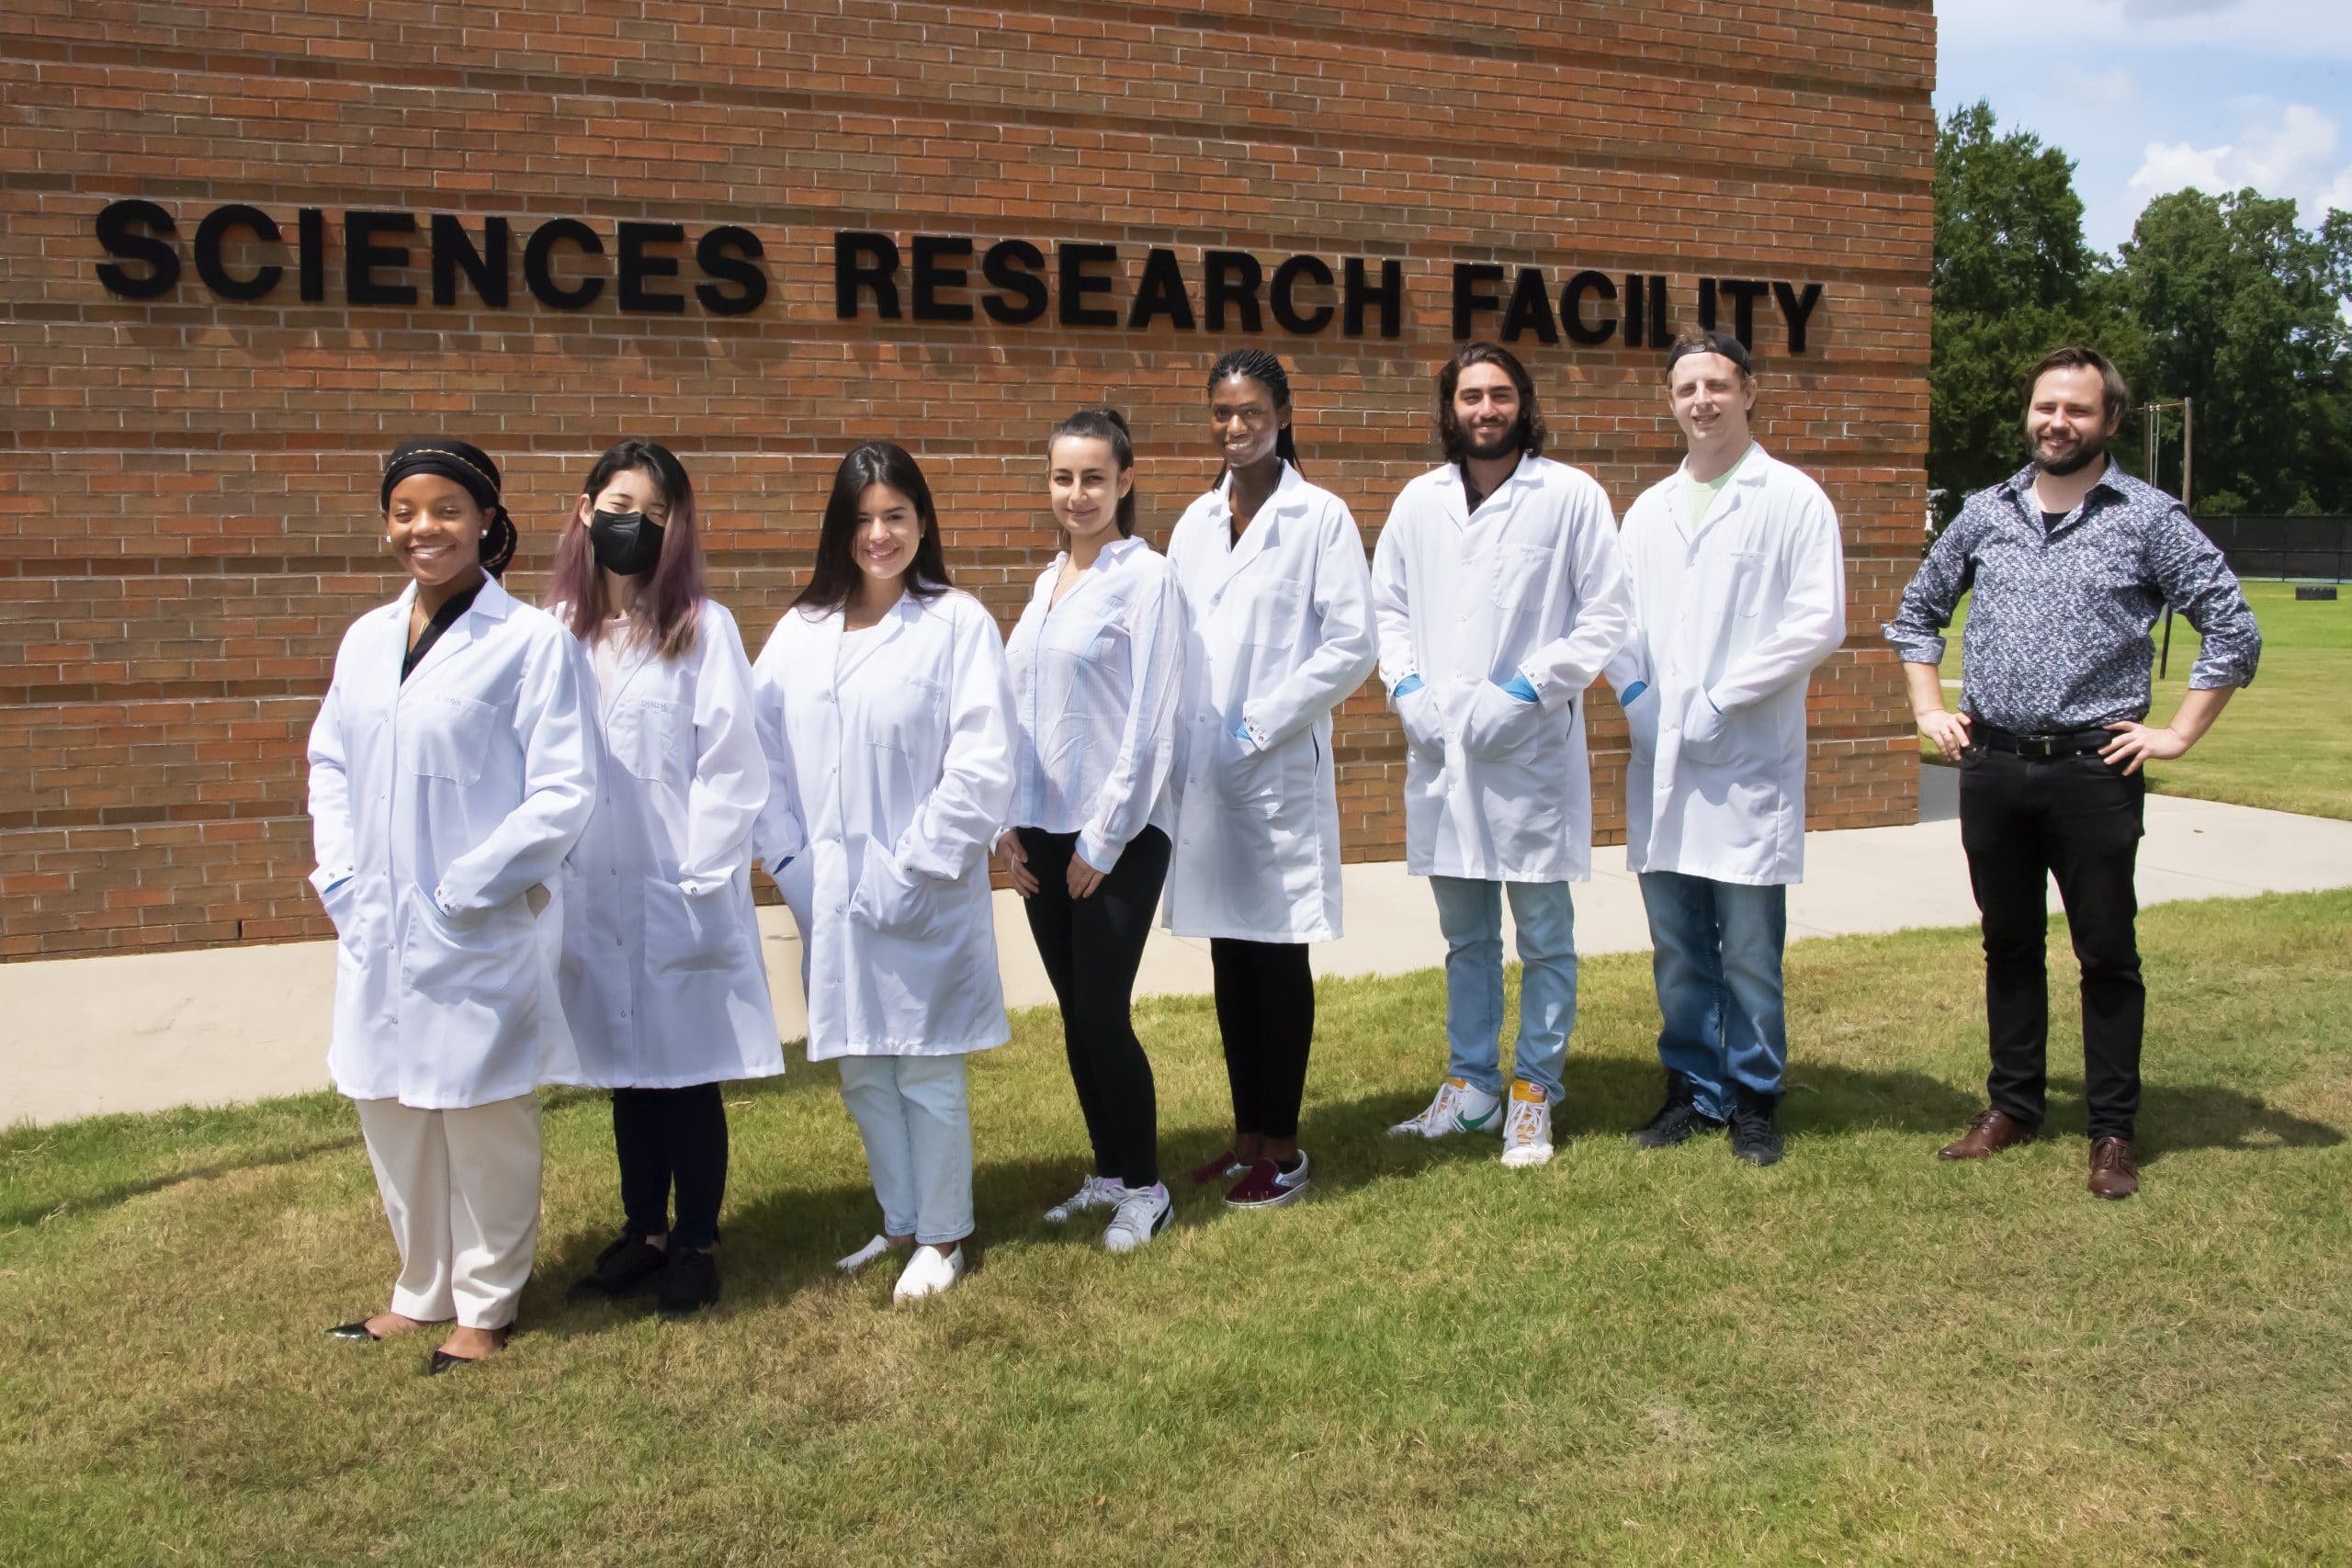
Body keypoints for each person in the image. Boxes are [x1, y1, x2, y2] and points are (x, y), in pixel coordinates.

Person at [1886, 345, 2261, 1200]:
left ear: (2111, 421)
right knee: (2008, 943)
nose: (2058, 422)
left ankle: (2112, 1130)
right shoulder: (1986, 512)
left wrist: (2177, 736)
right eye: (2046, 406)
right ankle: (2013, 1104)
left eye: (2078, 410)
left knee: (2106, 951)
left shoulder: (2150, 518)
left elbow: (2233, 630)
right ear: (2030, 413)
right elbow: (1917, 616)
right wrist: (1925, 709)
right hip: (1993, 763)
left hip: (2095, 769)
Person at [307, 438, 596, 1372]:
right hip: (377, 926)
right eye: (403, 511)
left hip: (473, 923)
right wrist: (344, 879)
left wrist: (465, 889)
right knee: (389, 1105)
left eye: (443, 510)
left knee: (481, 1118)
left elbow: (561, 792)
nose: (421, 528)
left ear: (484, 520)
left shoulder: (529, 643)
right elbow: (331, 764)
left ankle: (489, 1301)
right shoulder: (362, 640)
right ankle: (420, 1288)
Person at [752, 442, 1016, 1299]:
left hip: (922, 890)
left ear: (923, 521)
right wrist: (791, 864)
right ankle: (900, 1219)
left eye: (895, 515)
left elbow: (981, 765)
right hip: (828, 893)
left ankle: (945, 1234)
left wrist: (915, 865)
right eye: (862, 519)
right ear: (840, 528)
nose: (879, 534)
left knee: (927, 1064)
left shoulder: (956, 622)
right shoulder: (799, 631)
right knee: (862, 1066)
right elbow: (759, 759)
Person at [1372, 343, 1632, 1168]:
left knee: (1546, 934)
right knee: (1467, 936)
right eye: (1470, 396)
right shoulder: (1418, 503)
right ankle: (1473, 1083)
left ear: (1524, 403)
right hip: (1444, 753)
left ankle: (1534, 1092)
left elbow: (1606, 618)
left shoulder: (1570, 497)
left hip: (1529, 755)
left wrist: (1526, 687)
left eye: (1500, 394)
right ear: (1449, 407)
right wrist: (1407, 686)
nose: (1485, 409)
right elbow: (1388, 611)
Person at [546, 439, 782, 1316]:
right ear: (584, 510)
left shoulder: (701, 628)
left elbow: (733, 762)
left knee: (686, 1071)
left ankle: (697, 1238)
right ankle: (643, 1229)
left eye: (653, 512)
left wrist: (700, 872)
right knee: (626, 1067)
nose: (632, 525)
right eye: (618, 503)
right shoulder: (556, 632)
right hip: (594, 888)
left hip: (678, 885)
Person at [1604, 331, 1847, 1168]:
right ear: (1669, 402)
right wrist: (1634, 693)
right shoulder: (1648, 510)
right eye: (1685, 388)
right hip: (1662, 763)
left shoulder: (1793, 499)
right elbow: (1615, 618)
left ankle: (1751, 1097)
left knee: (1747, 948)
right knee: (1676, 944)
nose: (1700, 400)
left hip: (1748, 761)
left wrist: (1720, 695)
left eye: (1716, 384)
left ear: (1750, 391)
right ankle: (1691, 1090)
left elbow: (1818, 620)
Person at [1162, 348, 1378, 1209]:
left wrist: (1259, 722)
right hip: (1205, 778)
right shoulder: (1192, 521)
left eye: (1250, 411)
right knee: (1229, 955)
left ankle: (1284, 1149)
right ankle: (1245, 1133)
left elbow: (1351, 643)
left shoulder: (1319, 517)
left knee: (1276, 955)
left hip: (1273, 767)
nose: (1235, 427)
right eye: (1221, 412)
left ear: (1282, 415)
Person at [999, 410, 1185, 1251]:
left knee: (1104, 1013)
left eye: (1094, 478)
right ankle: (1108, 1169)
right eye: (1063, 478)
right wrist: (1005, 824)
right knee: (1075, 1012)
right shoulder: (1046, 584)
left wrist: (1102, 841)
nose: (1077, 494)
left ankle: (1147, 1187)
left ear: (1125, 480)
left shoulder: (1147, 580)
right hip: (1040, 835)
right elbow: (1015, 714)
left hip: (1117, 835)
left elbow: (1152, 722)